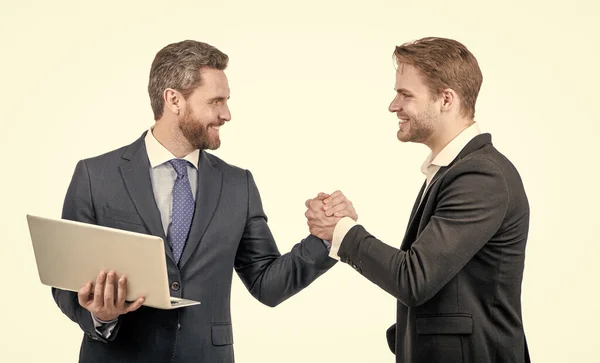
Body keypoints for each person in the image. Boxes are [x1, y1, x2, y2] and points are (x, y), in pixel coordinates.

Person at [52, 39, 357, 363]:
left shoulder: (238, 184)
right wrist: (102, 316)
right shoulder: (95, 176)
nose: (226, 114)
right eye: (216, 101)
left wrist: (324, 238)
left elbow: (267, 283)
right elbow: (65, 282)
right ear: (174, 100)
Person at [305, 37, 531, 363]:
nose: (393, 105)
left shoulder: (481, 175)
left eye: (405, 94)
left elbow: (414, 279)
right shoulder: (451, 170)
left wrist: (340, 230)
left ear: (446, 100)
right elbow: (435, 273)